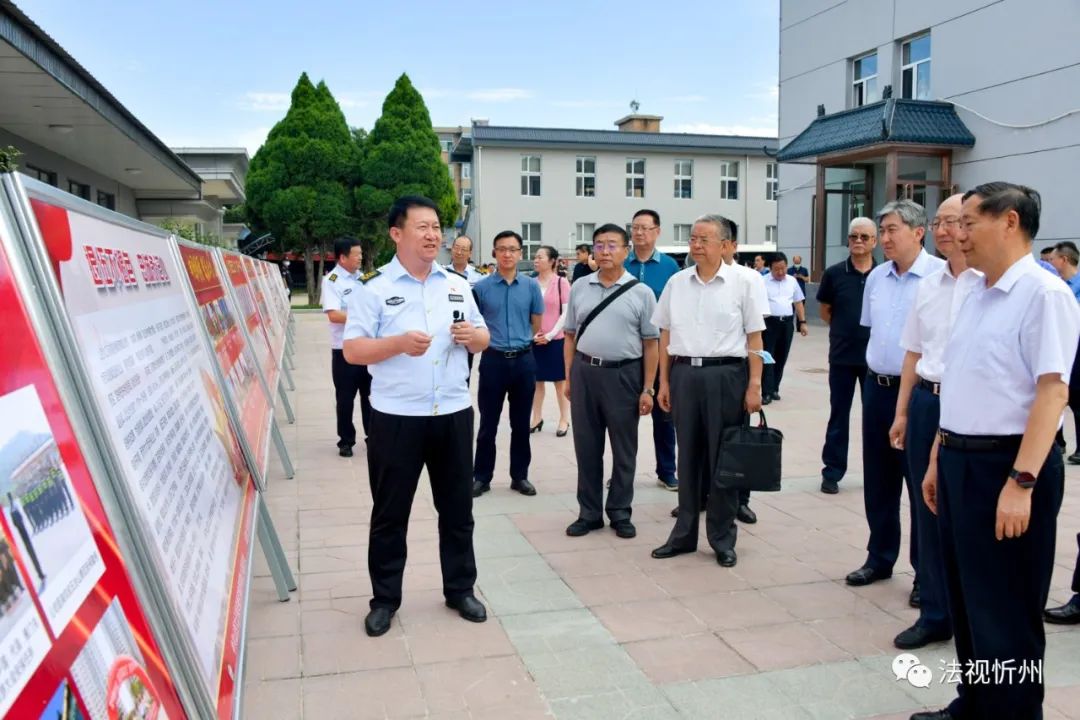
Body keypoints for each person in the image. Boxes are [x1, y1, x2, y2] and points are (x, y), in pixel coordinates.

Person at [912, 182, 1079, 720]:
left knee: (1007, 609)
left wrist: (1022, 482)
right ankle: (976, 702)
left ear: (1009, 222)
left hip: (1007, 467)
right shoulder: (976, 291)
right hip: (958, 459)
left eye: (968, 223)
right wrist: (938, 457)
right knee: (968, 599)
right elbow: (963, 382)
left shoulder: (1043, 294)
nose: (956, 235)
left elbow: (1052, 392)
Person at [342, 195, 491, 637]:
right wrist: (397, 344)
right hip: (396, 418)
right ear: (396, 233)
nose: (433, 235)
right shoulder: (372, 287)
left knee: (458, 510)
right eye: (422, 227)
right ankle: (385, 600)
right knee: (390, 514)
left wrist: (472, 337)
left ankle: (460, 589)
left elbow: (484, 336)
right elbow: (353, 350)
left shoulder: (457, 284)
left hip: (453, 413)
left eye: (436, 227)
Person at [886, 194, 978, 651]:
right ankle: (935, 612)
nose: (944, 230)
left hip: (974, 408)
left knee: (970, 511)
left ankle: (974, 612)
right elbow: (913, 353)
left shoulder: (989, 284)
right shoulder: (930, 284)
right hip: (928, 400)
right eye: (938, 221)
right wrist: (903, 411)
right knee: (927, 508)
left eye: (954, 221)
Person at [651, 214, 766, 568]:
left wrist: (755, 385)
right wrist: (664, 381)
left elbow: (755, 339)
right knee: (687, 457)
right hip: (684, 374)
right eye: (693, 239)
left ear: (725, 244)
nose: (696, 245)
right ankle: (684, 535)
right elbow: (665, 334)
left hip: (726, 376)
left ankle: (721, 538)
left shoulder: (744, 282)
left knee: (723, 459)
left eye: (704, 239)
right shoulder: (677, 282)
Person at [845, 200, 944, 597]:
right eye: (881, 230)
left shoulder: (940, 277)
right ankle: (879, 556)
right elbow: (873, 331)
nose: (883, 239)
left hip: (919, 393)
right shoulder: (877, 277)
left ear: (919, 233)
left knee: (919, 482)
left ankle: (925, 573)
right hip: (877, 388)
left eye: (891, 230)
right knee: (879, 478)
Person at [562, 224, 659, 538]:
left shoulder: (641, 293)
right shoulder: (580, 287)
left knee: (624, 448)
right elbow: (570, 336)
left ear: (626, 251)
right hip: (585, 372)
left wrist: (648, 388)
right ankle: (589, 513)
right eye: (599, 245)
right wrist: (569, 377)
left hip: (624, 376)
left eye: (612, 245)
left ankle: (620, 511)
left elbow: (651, 344)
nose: (605, 251)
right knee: (586, 446)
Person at [471, 231, 544, 498]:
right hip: (493, 360)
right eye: (502, 249)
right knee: (487, 424)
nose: (507, 254)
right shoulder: (481, 288)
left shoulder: (531, 286)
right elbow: (475, 324)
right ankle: (481, 477)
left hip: (524, 361)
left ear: (520, 253)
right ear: (494, 253)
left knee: (521, 424)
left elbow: (536, 322)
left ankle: (520, 476)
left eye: (512, 249)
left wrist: (521, 341)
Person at [817, 218, 877, 494]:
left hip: (875, 361)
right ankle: (832, 471)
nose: (858, 241)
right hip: (842, 357)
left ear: (874, 241)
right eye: (854, 236)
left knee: (874, 419)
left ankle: (876, 473)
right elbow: (826, 312)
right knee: (838, 415)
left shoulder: (883, 274)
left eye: (864, 237)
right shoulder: (834, 273)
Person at [624, 209, 681, 491]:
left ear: (657, 231)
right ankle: (622, 473)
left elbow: (678, 310)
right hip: (625, 353)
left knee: (664, 415)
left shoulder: (670, 268)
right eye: (635, 227)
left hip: (659, 351)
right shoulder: (621, 263)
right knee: (623, 419)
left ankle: (667, 470)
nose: (638, 233)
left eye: (645, 228)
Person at [321, 236, 372, 457]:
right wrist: (361, 317)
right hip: (344, 349)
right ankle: (346, 440)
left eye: (361, 254)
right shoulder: (332, 281)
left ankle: (373, 436)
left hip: (366, 346)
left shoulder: (363, 278)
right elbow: (334, 315)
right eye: (357, 254)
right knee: (345, 398)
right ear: (343, 258)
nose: (361, 258)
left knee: (370, 395)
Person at [530, 246, 571, 436]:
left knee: (559, 382)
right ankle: (536, 417)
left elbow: (566, 313)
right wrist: (533, 335)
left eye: (540, 257)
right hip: (534, 340)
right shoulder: (530, 283)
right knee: (536, 382)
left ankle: (564, 419)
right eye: (535, 257)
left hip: (555, 340)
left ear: (552, 261)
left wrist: (550, 335)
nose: (536, 260)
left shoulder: (562, 283)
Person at [761, 252, 808, 404]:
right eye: (777, 269)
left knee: (782, 357)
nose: (780, 272)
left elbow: (798, 302)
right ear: (770, 268)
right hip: (769, 323)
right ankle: (766, 392)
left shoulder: (792, 281)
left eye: (783, 268)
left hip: (787, 324)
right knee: (768, 357)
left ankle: (775, 388)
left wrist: (802, 322)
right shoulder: (762, 281)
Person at [1049, 241, 1080, 463]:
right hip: (1058, 351)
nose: (1050, 263)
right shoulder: (1054, 285)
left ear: (1064, 259)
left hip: (1077, 352)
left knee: (1077, 403)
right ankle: (1057, 442)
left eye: (1053, 259)